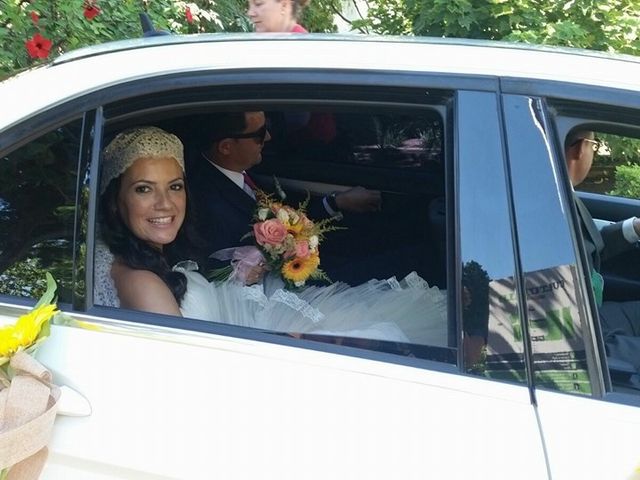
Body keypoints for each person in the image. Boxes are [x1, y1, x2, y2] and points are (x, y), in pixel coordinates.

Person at [95, 126, 448, 347]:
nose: (165, 203)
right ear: (116, 200)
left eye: (174, 187)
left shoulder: (150, 255)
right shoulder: (143, 284)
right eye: (144, 189)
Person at [186, 111, 381, 271]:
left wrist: (336, 203)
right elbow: (226, 268)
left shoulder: (241, 173)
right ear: (226, 147)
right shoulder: (208, 203)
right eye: (260, 134)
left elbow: (286, 217)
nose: (269, 137)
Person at [565, 130, 640, 371]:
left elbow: (586, 246)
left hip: (587, 315)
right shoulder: (544, 203)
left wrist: (634, 229)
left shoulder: (556, 193)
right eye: (593, 145)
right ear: (579, 149)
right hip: (579, 339)